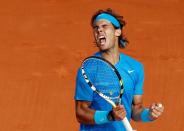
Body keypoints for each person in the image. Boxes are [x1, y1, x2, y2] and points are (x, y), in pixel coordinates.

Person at [74, 8, 164, 131]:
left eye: (104, 26)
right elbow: (81, 112)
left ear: (117, 31)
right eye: (96, 28)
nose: (99, 30)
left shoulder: (135, 67)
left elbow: (135, 109)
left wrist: (149, 114)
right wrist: (109, 116)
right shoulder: (88, 69)